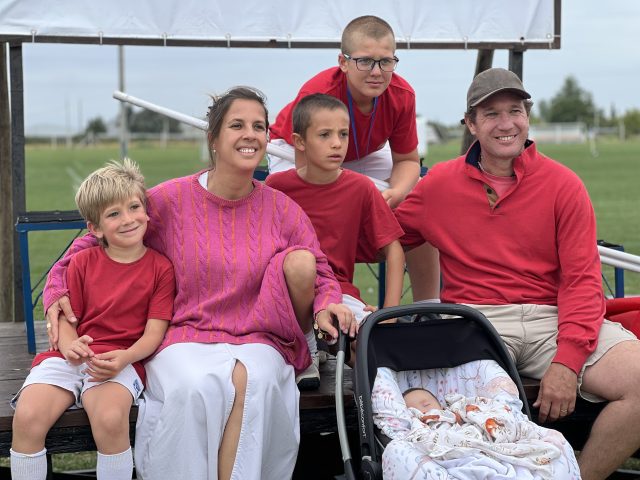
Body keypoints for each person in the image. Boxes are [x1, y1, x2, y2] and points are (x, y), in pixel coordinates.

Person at [43, 87, 355, 480]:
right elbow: (92, 242)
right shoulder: (169, 200)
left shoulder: (282, 209)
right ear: (213, 139)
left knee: (255, 382)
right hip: (183, 333)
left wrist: (327, 304)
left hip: (259, 334)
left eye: (259, 126)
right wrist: (55, 290)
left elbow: (321, 269)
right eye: (237, 125)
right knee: (194, 385)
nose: (250, 134)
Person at [394, 67, 640, 480]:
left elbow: (581, 281)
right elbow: (383, 239)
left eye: (515, 111)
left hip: (553, 319)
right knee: (469, 411)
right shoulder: (438, 184)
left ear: (527, 116)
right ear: (471, 124)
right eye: (491, 114)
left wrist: (567, 361)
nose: (506, 123)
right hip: (477, 321)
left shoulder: (564, 184)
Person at [10, 159, 176, 480]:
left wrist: (124, 358)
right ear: (95, 229)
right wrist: (70, 345)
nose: (128, 219)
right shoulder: (81, 262)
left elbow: (153, 334)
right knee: (28, 417)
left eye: (134, 207)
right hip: (69, 357)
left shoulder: (161, 269)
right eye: (114, 214)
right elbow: (67, 317)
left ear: (146, 210)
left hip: (120, 359)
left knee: (111, 419)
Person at [266, 93, 405, 376]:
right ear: (300, 142)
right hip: (287, 294)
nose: (337, 143)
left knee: (374, 348)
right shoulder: (276, 187)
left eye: (343, 134)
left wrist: (388, 314)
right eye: (325, 135)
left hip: (339, 292)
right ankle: (310, 350)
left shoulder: (360, 188)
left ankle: (371, 393)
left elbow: (394, 249)